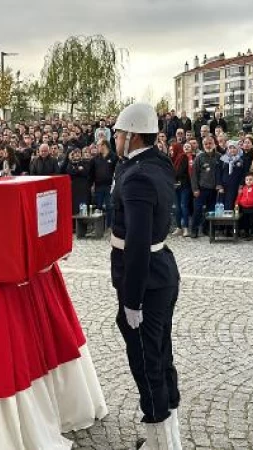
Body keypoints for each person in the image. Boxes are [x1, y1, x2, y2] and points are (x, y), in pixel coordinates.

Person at [109, 103, 181, 450]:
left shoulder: (137, 174)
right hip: (162, 271)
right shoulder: (156, 161)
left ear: (133, 135)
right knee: (161, 353)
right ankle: (168, 434)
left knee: (146, 360)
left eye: (119, 134)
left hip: (145, 278)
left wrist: (132, 298)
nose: (116, 139)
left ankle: (160, 443)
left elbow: (136, 243)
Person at [190, 136, 222, 238]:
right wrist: (195, 189)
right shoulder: (199, 157)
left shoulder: (219, 156)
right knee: (198, 210)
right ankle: (194, 230)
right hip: (201, 189)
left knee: (210, 211)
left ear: (214, 143)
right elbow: (194, 174)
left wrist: (219, 184)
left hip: (213, 189)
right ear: (203, 145)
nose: (208, 145)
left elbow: (221, 173)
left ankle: (206, 229)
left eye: (210, 143)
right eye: (206, 144)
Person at [88, 141, 117, 227]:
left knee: (110, 206)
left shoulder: (114, 157)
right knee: (98, 207)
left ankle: (109, 226)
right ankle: (98, 227)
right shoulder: (95, 159)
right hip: (98, 186)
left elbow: (117, 172)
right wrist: (91, 185)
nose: (97, 147)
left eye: (98, 146)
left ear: (104, 145)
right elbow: (91, 173)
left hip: (110, 186)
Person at [171, 142, 191, 237]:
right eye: (185, 146)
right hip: (177, 185)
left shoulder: (192, 157)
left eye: (188, 147)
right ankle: (179, 227)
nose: (187, 148)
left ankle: (186, 228)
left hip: (186, 185)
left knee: (183, 206)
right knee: (177, 207)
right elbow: (176, 171)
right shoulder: (180, 157)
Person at [220, 142, 245, 210]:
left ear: (237, 149)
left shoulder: (241, 160)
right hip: (224, 185)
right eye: (230, 148)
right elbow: (219, 172)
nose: (232, 150)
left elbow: (243, 174)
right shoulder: (223, 159)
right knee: (222, 204)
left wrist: (241, 184)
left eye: (234, 148)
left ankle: (231, 220)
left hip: (235, 185)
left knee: (232, 204)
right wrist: (220, 185)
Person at [66, 148, 91, 216]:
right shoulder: (70, 164)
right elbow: (69, 172)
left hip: (83, 189)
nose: (77, 154)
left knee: (83, 208)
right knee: (75, 208)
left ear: (81, 154)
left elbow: (85, 172)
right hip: (74, 189)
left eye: (78, 153)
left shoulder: (85, 162)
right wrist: (78, 169)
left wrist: (75, 170)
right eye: (75, 153)